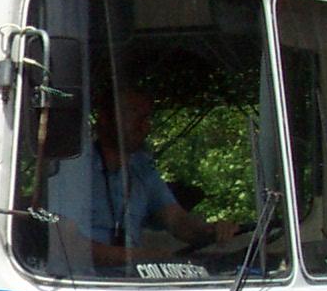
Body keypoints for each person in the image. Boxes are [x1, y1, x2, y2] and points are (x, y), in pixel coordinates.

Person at [47, 86, 240, 266]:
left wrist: (212, 231)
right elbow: (67, 245)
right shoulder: (72, 167)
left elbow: (177, 221)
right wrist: (143, 257)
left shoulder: (142, 168)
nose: (144, 126)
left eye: (146, 117)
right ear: (105, 118)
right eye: (133, 115)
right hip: (80, 281)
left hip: (132, 280)